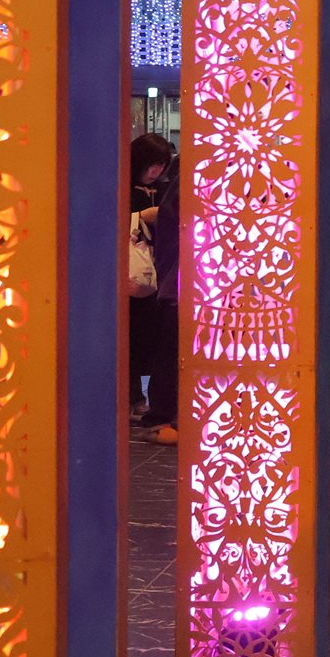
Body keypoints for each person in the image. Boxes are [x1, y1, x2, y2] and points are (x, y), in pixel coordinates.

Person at [127, 132, 173, 420]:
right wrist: (142, 216)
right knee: (129, 338)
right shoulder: (122, 187)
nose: (156, 171)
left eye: (161, 165)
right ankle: (133, 397)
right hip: (131, 274)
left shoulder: (163, 190)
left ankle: (146, 400)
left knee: (151, 339)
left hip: (157, 272)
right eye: (152, 164)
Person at [140, 154, 180, 445]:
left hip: (191, 282)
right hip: (184, 282)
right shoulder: (188, 188)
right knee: (172, 349)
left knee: (175, 349)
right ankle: (159, 418)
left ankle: (167, 415)